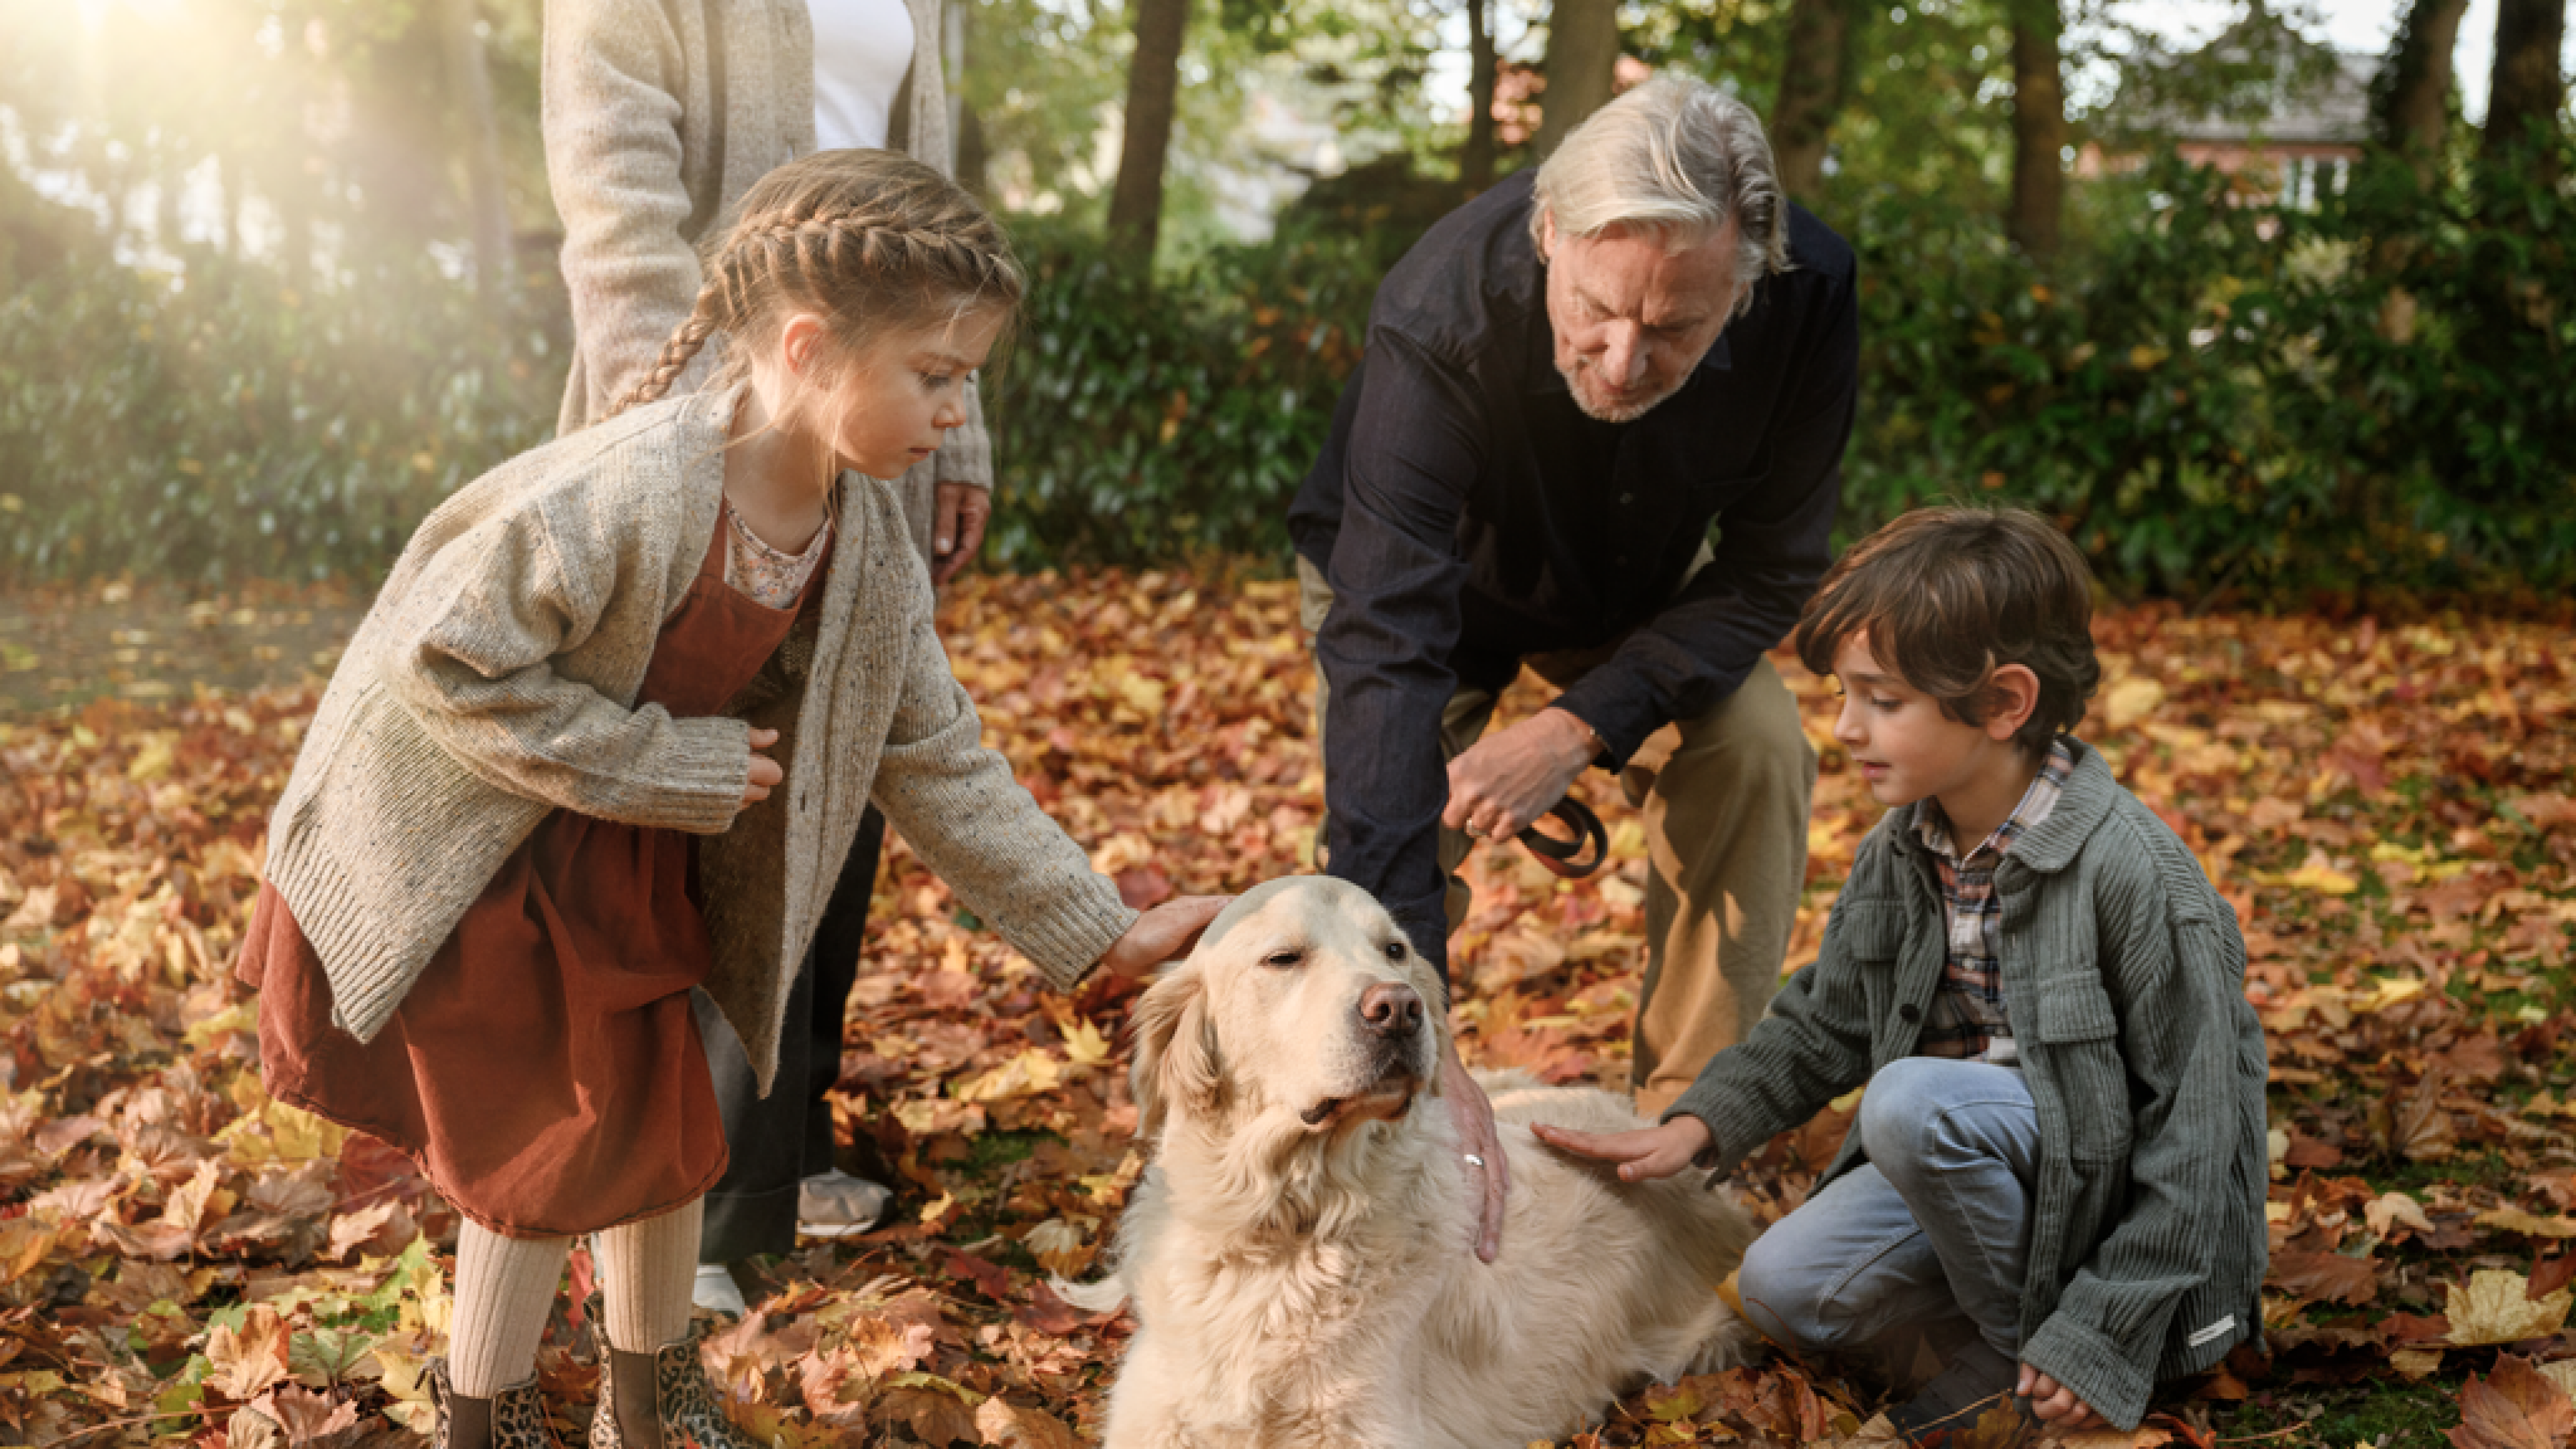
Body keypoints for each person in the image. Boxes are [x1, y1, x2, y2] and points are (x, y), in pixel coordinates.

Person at [236, 151, 1226, 1449]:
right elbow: (439, 667)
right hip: (490, 859)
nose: (952, 415)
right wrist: (663, 763)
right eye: (936, 377)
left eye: (964, 382)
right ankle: (482, 1412)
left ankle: (647, 1400)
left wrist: (1096, 930)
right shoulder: (632, 489)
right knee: (544, 1156)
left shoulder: (863, 537)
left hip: (631, 867)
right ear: (809, 348)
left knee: (669, 1129)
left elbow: (931, 752)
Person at [1531, 507, 2268, 1440]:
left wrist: (2105, 1328)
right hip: (1975, 1160)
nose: (1844, 728)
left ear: (2005, 703)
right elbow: (1827, 1020)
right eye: (1844, 694)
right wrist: (1698, 1124)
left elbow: (2200, 1133)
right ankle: (2009, 1316)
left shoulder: (2136, 877)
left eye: (1883, 701)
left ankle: (2030, 1353)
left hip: (2108, 1189)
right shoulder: (1905, 848)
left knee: (1909, 1103)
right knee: (1781, 1288)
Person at [1285, 74, 1858, 1254]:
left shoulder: (1812, 294)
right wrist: (1431, 1047)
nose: (1622, 359)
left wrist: (1578, 725)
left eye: (1679, 329)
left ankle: (1686, 1141)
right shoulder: (1437, 312)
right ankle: (1381, 1125)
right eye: (1595, 309)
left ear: (1746, 285)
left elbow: (1771, 570)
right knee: (1387, 817)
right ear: (1550, 234)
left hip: (1633, 601)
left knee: (1756, 747)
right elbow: (1388, 646)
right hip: (1415, 589)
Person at [543, 0, 993, 1307]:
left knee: (843, 774)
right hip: (722, 414)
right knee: (727, 791)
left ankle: (783, 1148)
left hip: (870, 413)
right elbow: (614, 190)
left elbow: (940, 219)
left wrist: (954, 429)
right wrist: (680, 431)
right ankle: (680, 1203)